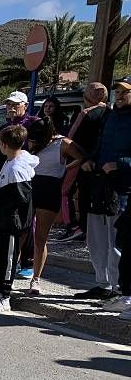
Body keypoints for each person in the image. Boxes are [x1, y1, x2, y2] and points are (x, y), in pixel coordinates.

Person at [73, 76, 131, 302]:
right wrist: (89, 159)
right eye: (118, 91)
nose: (121, 95)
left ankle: (119, 287)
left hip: (122, 187)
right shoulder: (111, 117)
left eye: (126, 92)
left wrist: (120, 164)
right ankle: (103, 283)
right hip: (99, 184)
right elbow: (100, 145)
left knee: (116, 240)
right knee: (96, 239)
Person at [0, 125, 37, 314]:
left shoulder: (18, 167)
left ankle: (4, 296)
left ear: (3, 144)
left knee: (8, 259)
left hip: (12, 222)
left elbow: (20, 197)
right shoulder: (9, 161)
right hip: (1, 220)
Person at [61, 83, 109, 242]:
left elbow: (71, 139)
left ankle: (74, 227)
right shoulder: (112, 113)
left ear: (87, 97)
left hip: (81, 161)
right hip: (102, 162)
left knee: (67, 192)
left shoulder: (86, 114)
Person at [25, 117, 66, 294]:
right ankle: (9, 274)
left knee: (40, 237)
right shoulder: (33, 142)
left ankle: (36, 279)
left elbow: (83, 157)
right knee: (21, 233)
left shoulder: (63, 143)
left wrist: (66, 171)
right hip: (30, 187)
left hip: (50, 189)